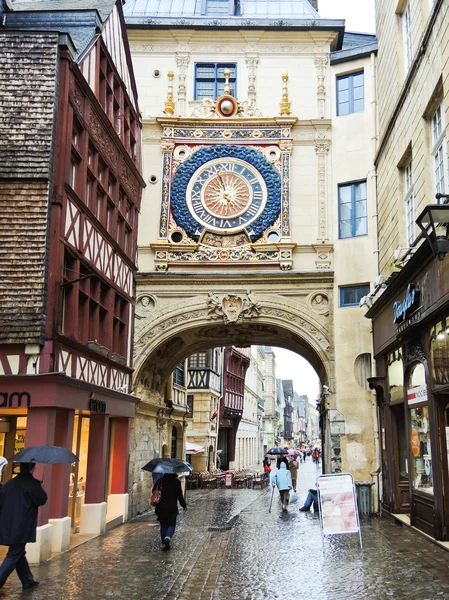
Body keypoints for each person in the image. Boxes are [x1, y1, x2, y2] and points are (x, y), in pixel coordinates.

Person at [0, 462, 47, 592]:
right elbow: (41, 500)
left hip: (8, 524)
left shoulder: (9, 483)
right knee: (14, 554)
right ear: (32, 468)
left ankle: (27, 580)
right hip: (21, 526)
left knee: (18, 552)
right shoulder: (32, 484)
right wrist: (42, 488)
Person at [153, 473, 186, 551]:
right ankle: (167, 538)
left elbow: (154, 491)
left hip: (160, 508)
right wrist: (183, 505)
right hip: (172, 508)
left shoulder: (160, 481)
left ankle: (164, 544)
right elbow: (180, 495)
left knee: (163, 526)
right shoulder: (176, 482)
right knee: (171, 524)